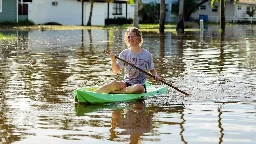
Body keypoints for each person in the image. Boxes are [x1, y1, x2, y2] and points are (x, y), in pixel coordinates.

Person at [95, 27, 160, 94]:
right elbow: (116, 71)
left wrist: (156, 75)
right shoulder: (124, 53)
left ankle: (117, 92)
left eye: (133, 37)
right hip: (126, 84)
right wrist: (113, 60)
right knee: (114, 83)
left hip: (139, 87)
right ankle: (94, 94)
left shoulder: (147, 55)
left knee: (139, 87)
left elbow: (152, 70)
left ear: (138, 37)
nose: (130, 39)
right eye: (128, 37)